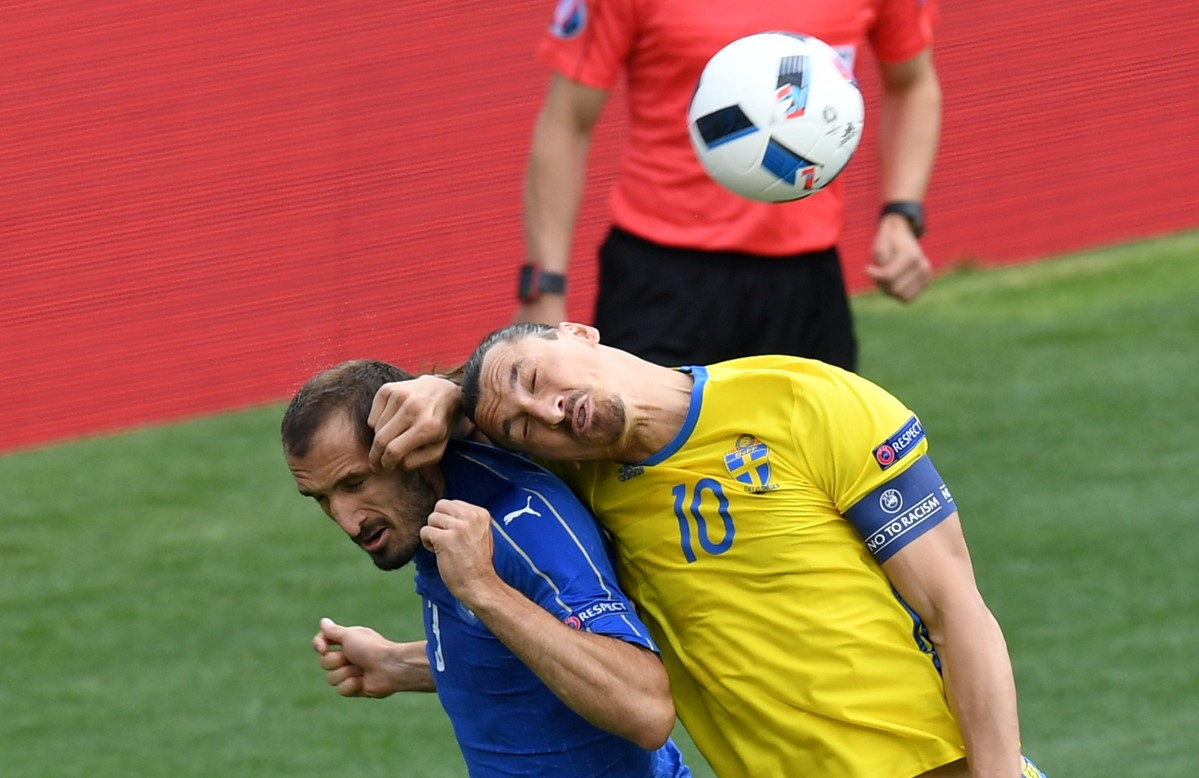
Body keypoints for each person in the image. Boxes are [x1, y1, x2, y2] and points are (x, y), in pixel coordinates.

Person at [369, 323, 1049, 778]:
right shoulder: (584, 488)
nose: (547, 412)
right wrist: (410, 663)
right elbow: (618, 648)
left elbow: (955, 612)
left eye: (534, 376)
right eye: (522, 426)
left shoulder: (804, 402)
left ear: (578, 331)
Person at [280, 359, 690, 778]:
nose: (346, 520)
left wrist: (483, 588)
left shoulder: (520, 523)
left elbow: (647, 710)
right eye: (321, 498)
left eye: (355, 483)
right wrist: (400, 665)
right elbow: (525, 654)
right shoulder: (428, 511)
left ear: (410, 447)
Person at [514, 0, 942, 371]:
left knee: (819, 465)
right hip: (660, 283)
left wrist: (901, 213)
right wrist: (543, 290)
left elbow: (913, 83)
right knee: (646, 466)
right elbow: (567, 119)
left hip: (807, 284)